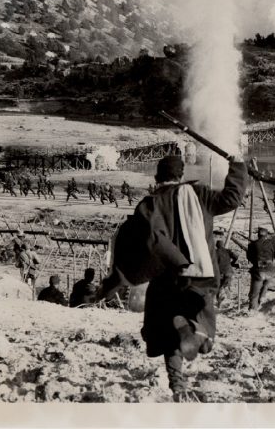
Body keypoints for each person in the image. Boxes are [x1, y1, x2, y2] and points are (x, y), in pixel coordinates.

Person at [98, 155, 247, 402]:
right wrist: (238, 167)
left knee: (167, 333)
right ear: (181, 175)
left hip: (166, 278)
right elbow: (232, 197)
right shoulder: (200, 194)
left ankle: (177, 383)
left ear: (157, 177)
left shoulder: (150, 204)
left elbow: (140, 242)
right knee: (203, 328)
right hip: (201, 275)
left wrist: (121, 276)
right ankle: (195, 330)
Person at [247, 227, 275, 310]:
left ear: (258, 235)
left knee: (254, 294)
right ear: (267, 235)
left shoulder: (252, 244)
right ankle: (262, 300)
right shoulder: (272, 243)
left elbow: (249, 257)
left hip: (259, 270)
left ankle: (252, 311)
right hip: (270, 270)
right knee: (264, 287)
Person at [215, 240, 239, 307]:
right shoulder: (228, 251)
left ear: (217, 245)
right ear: (223, 245)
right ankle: (227, 297)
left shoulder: (215, 252)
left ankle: (219, 301)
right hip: (229, 271)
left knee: (219, 286)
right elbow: (236, 257)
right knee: (226, 285)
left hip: (219, 272)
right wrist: (232, 263)